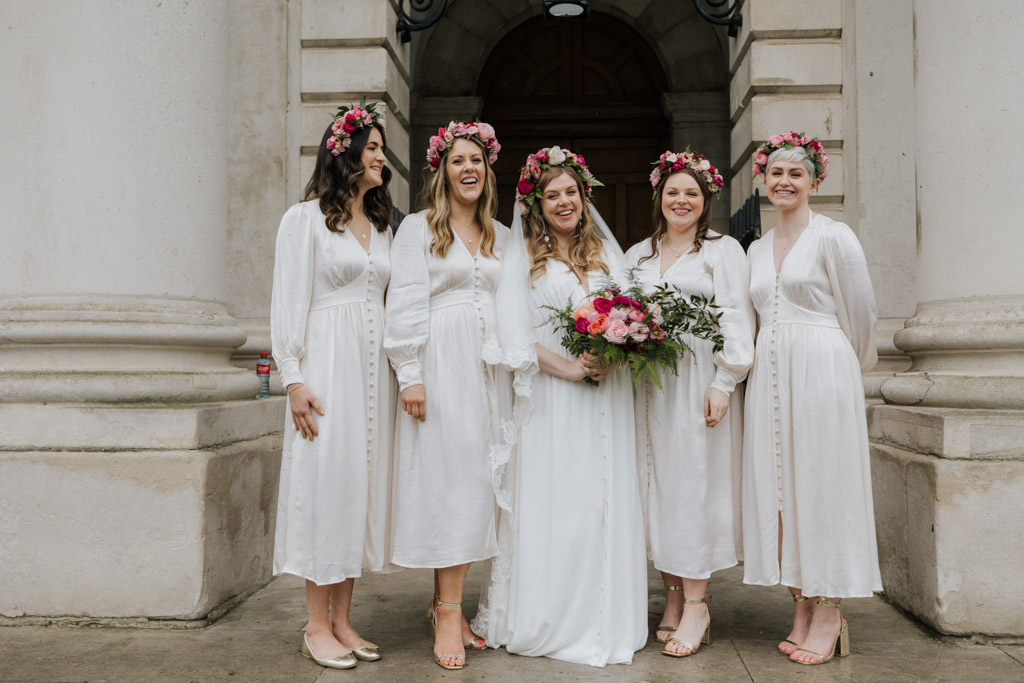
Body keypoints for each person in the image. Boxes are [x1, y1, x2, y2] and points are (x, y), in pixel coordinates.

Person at [473, 147, 648, 668]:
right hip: (552, 399)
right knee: (560, 502)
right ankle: (550, 613)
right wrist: (570, 368)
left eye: (571, 192)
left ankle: (605, 616)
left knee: (602, 501)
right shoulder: (522, 256)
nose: (564, 201)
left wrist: (621, 351)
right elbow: (512, 335)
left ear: (583, 195)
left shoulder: (607, 257)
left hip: (608, 398)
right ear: (536, 205)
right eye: (552, 195)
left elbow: (635, 318)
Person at [743, 133, 881, 665]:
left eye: (795, 174)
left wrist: (844, 370)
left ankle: (829, 611)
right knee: (782, 488)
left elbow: (862, 315)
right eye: (776, 173)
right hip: (771, 374)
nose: (784, 182)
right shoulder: (755, 248)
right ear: (763, 179)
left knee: (824, 486)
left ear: (815, 181)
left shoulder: (834, 236)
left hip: (821, 368)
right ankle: (799, 603)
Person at [270, 101, 396, 670]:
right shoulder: (304, 220)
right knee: (325, 487)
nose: (381, 156)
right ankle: (315, 623)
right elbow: (288, 303)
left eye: (381, 148)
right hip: (327, 364)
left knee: (358, 488)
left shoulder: (382, 225)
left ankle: (344, 619)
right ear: (345, 152)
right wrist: (292, 379)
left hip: (373, 373)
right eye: (371, 147)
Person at [384, 121, 507, 671]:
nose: (468, 170)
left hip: (491, 371)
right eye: (458, 161)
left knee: (480, 485)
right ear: (443, 170)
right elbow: (406, 298)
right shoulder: (417, 228)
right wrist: (409, 371)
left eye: (477, 161)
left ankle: (446, 604)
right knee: (449, 483)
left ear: (488, 170)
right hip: (442, 363)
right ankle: (451, 612)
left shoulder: (500, 233)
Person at [625, 150, 755, 658]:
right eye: (674, 192)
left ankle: (698, 603)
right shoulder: (638, 254)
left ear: (706, 202)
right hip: (647, 383)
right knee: (656, 484)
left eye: (692, 194)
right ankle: (673, 597)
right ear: (660, 196)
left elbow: (737, 319)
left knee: (694, 486)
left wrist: (725, 382)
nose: (682, 201)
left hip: (697, 380)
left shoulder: (723, 252)